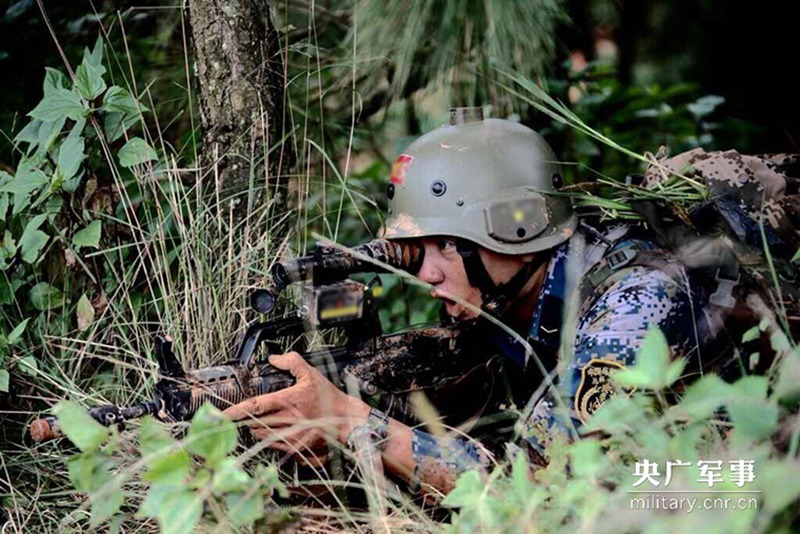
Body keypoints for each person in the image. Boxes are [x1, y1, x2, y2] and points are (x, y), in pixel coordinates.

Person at [224, 109, 727, 495]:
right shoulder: (511, 301)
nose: (427, 275)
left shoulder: (635, 305)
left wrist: (351, 422)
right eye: (415, 253)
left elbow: (535, 492)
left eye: (445, 244)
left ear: (516, 228)